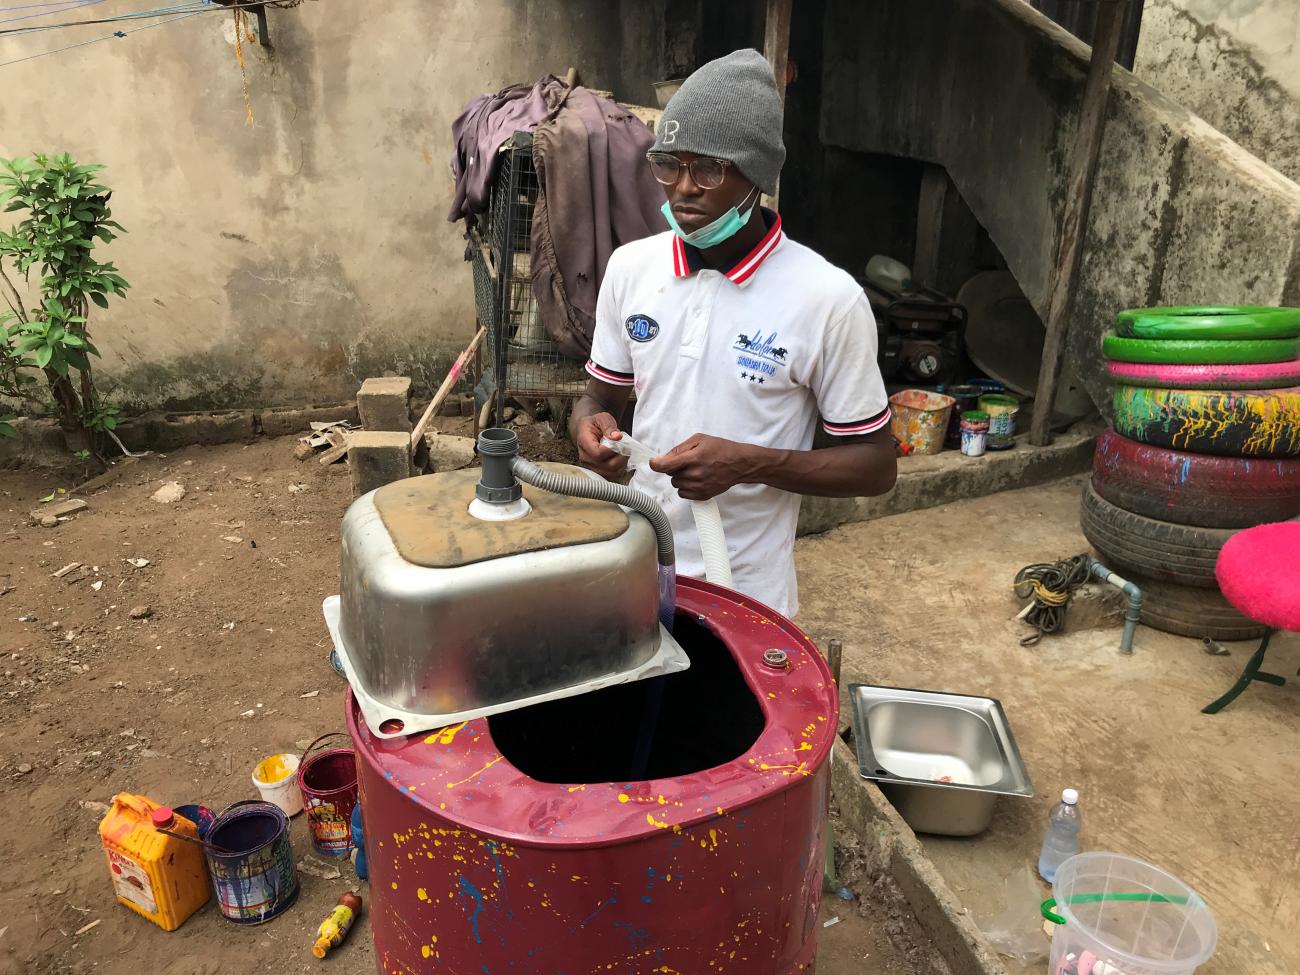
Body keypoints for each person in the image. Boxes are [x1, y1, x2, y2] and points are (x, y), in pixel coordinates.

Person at [568, 48, 897, 618]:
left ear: (758, 177)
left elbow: (874, 465)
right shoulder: (631, 269)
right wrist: (587, 427)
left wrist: (749, 463)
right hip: (636, 566)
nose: (684, 189)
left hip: (747, 592)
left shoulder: (828, 299)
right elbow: (601, 397)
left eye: (710, 169)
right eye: (669, 164)